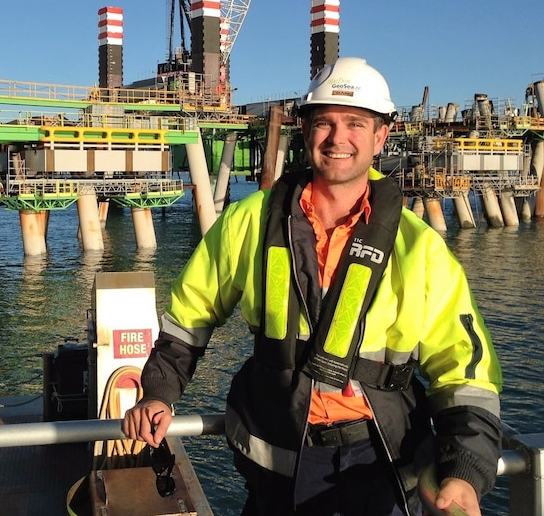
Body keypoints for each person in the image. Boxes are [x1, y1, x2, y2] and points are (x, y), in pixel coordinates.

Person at [122, 57, 503, 515]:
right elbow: (190, 314)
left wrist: (464, 468)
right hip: (276, 458)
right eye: (325, 122)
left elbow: (465, 369)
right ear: (305, 130)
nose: (339, 138)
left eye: (356, 124)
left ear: (381, 135)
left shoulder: (417, 246)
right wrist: (159, 392)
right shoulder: (250, 221)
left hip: (381, 459)